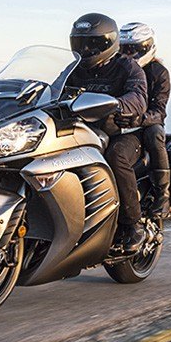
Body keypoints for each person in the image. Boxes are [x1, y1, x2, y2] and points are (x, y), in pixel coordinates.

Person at [65, 13, 148, 252]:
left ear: (109, 43)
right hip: (84, 131)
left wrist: (118, 104)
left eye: (92, 44)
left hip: (124, 133)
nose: (86, 50)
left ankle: (133, 225)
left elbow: (138, 97)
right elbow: (53, 89)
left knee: (115, 156)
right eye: (81, 43)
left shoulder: (127, 67)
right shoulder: (73, 69)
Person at [118, 22, 171, 219]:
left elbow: (159, 111)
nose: (129, 54)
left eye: (134, 49)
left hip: (146, 123)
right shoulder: (118, 69)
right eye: (124, 49)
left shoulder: (159, 73)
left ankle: (162, 194)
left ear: (148, 47)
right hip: (120, 122)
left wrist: (140, 119)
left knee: (155, 134)